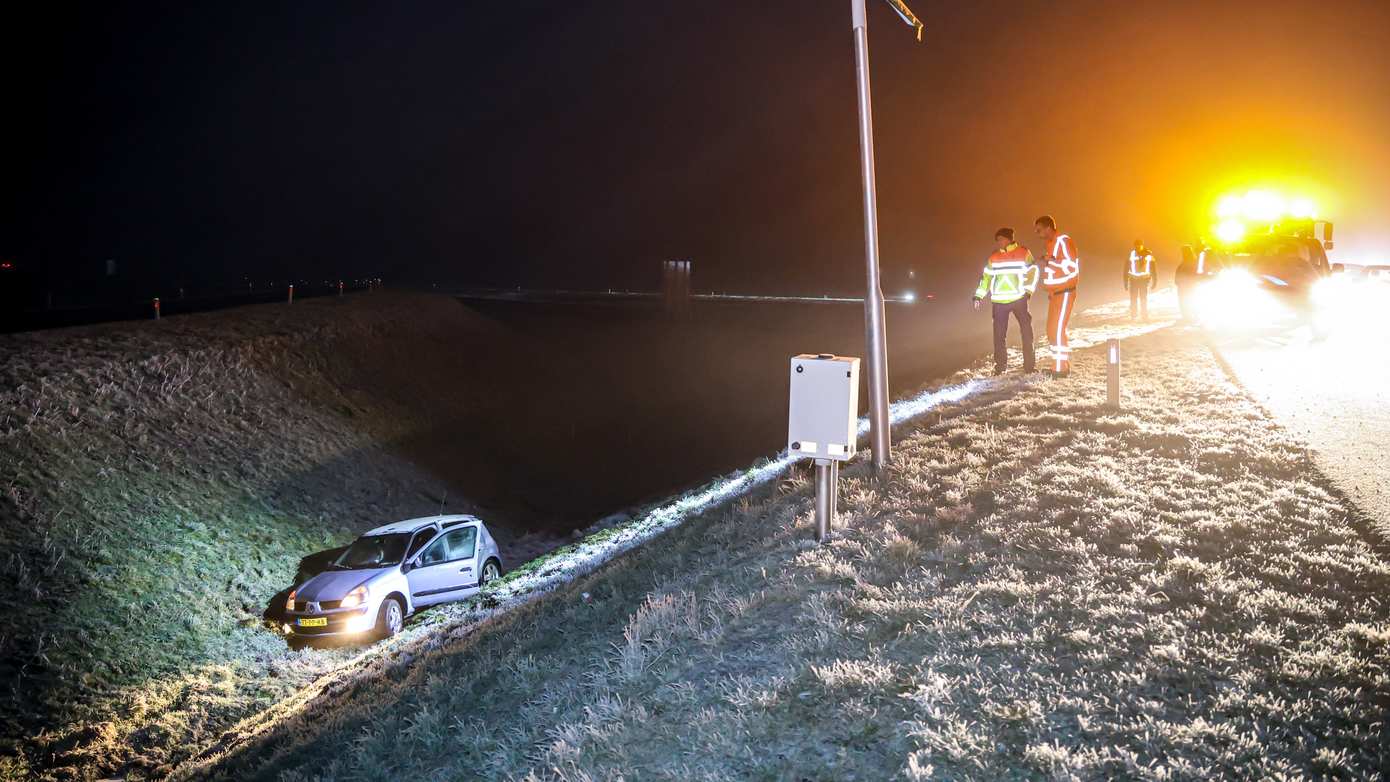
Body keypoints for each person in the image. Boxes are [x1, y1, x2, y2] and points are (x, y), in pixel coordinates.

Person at [973, 227, 1039, 375]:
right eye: (997, 240)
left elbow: (1033, 271)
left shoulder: (1023, 252)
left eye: (1000, 239)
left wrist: (1028, 291)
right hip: (999, 302)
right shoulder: (994, 257)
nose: (998, 242)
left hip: (1019, 299)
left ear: (1009, 239)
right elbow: (986, 277)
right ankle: (1000, 368)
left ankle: (1029, 367)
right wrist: (979, 295)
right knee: (999, 336)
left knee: (1027, 333)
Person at [1034, 215, 1080, 377]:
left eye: (1039, 229)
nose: (1037, 233)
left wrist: (1050, 260)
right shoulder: (1050, 244)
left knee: (1058, 330)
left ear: (1048, 228)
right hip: (1055, 294)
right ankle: (1060, 365)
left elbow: (1070, 267)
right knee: (1051, 331)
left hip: (1066, 292)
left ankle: (1060, 370)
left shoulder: (1063, 241)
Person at [1124, 239, 1156, 321]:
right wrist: (1125, 281)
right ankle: (1134, 315)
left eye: (1139, 245)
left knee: (1143, 298)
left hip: (1144, 280)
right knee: (1133, 298)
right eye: (1136, 245)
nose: (1137, 247)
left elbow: (1153, 268)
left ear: (1142, 245)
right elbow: (1126, 268)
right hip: (1133, 280)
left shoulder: (1149, 255)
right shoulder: (1131, 255)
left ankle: (1144, 315)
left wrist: (1155, 280)